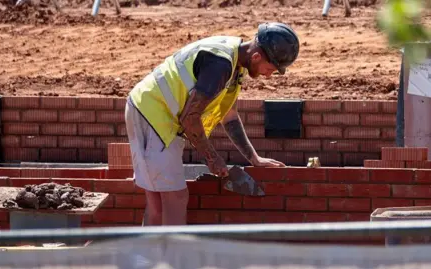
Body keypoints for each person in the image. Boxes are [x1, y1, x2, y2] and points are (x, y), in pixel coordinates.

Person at [124, 22, 300, 226]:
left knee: (158, 203)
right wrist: (212, 158)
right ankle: (170, 256)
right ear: (256, 56)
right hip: (152, 114)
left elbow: (230, 115)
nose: (268, 75)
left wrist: (254, 158)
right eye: (270, 69)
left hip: (158, 114)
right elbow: (190, 118)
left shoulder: (237, 63)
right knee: (173, 199)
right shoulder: (220, 65)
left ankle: (153, 255)